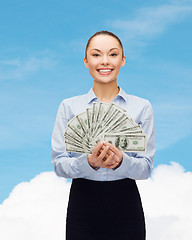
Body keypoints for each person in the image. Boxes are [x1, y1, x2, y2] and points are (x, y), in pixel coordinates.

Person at [51, 30, 155, 240]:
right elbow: (59, 164)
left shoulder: (142, 107)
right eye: (97, 54)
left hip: (126, 203)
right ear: (86, 61)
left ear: (123, 60)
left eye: (113, 54)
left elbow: (145, 169)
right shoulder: (69, 106)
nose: (105, 61)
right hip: (83, 203)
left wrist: (121, 162)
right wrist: (88, 162)